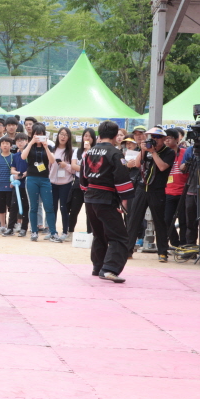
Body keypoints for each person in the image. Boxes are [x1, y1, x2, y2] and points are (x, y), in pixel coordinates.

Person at [80, 120, 135, 283]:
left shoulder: (88, 153)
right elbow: (122, 180)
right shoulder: (116, 154)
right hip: (106, 198)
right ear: (116, 136)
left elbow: (83, 180)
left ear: (99, 134)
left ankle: (98, 267)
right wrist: (123, 203)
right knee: (119, 236)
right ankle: (110, 269)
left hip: (90, 198)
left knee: (100, 233)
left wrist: (89, 194)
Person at [126, 127, 175, 262]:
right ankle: (128, 250)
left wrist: (153, 152)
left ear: (164, 139)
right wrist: (143, 150)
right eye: (151, 137)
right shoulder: (145, 149)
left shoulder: (169, 152)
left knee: (160, 221)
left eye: (157, 137)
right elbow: (136, 164)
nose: (153, 140)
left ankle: (162, 252)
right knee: (134, 219)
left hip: (157, 190)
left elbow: (162, 167)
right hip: (142, 188)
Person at [20, 123, 60, 242]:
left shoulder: (48, 146)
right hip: (32, 178)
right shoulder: (29, 145)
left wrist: (46, 146)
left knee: (49, 206)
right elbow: (23, 157)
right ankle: (34, 231)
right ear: (33, 135)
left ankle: (53, 232)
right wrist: (31, 142)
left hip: (44, 179)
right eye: (36, 134)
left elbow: (52, 161)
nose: (39, 137)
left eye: (41, 134)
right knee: (33, 206)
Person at [66, 128, 96, 241]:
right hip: (78, 183)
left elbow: (94, 167)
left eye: (89, 136)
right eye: (85, 136)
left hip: (90, 184)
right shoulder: (77, 151)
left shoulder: (95, 151)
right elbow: (73, 166)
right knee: (74, 209)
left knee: (90, 211)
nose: (87, 138)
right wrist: (85, 169)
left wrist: (88, 152)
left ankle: (91, 234)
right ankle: (70, 232)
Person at [163, 128, 188, 248]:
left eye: (169, 138)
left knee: (184, 220)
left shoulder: (185, 152)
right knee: (167, 219)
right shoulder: (162, 153)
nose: (167, 141)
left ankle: (183, 243)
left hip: (183, 192)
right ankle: (174, 242)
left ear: (177, 139)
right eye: (165, 138)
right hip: (168, 191)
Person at [49, 127, 75, 241]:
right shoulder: (52, 150)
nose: (63, 136)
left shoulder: (72, 152)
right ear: (57, 136)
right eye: (61, 134)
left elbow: (75, 170)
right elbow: (49, 166)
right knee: (52, 207)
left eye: (65, 135)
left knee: (64, 208)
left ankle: (65, 232)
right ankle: (52, 232)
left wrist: (66, 165)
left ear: (68, 138)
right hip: (52, 183)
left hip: (66, 183)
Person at [3, 133, 30, 237]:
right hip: (17, 185)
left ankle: (24, 228)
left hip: (27, 184)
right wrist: (15, 174)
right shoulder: (15, 155)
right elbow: (12, 168)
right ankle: (10, 228)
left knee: (26, 206)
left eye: (22, 140)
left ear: (26, 141)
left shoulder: (29, 154)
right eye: (18, 141)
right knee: (13, 206)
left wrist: (24, 174)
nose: (20, 142)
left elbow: (31, 168)